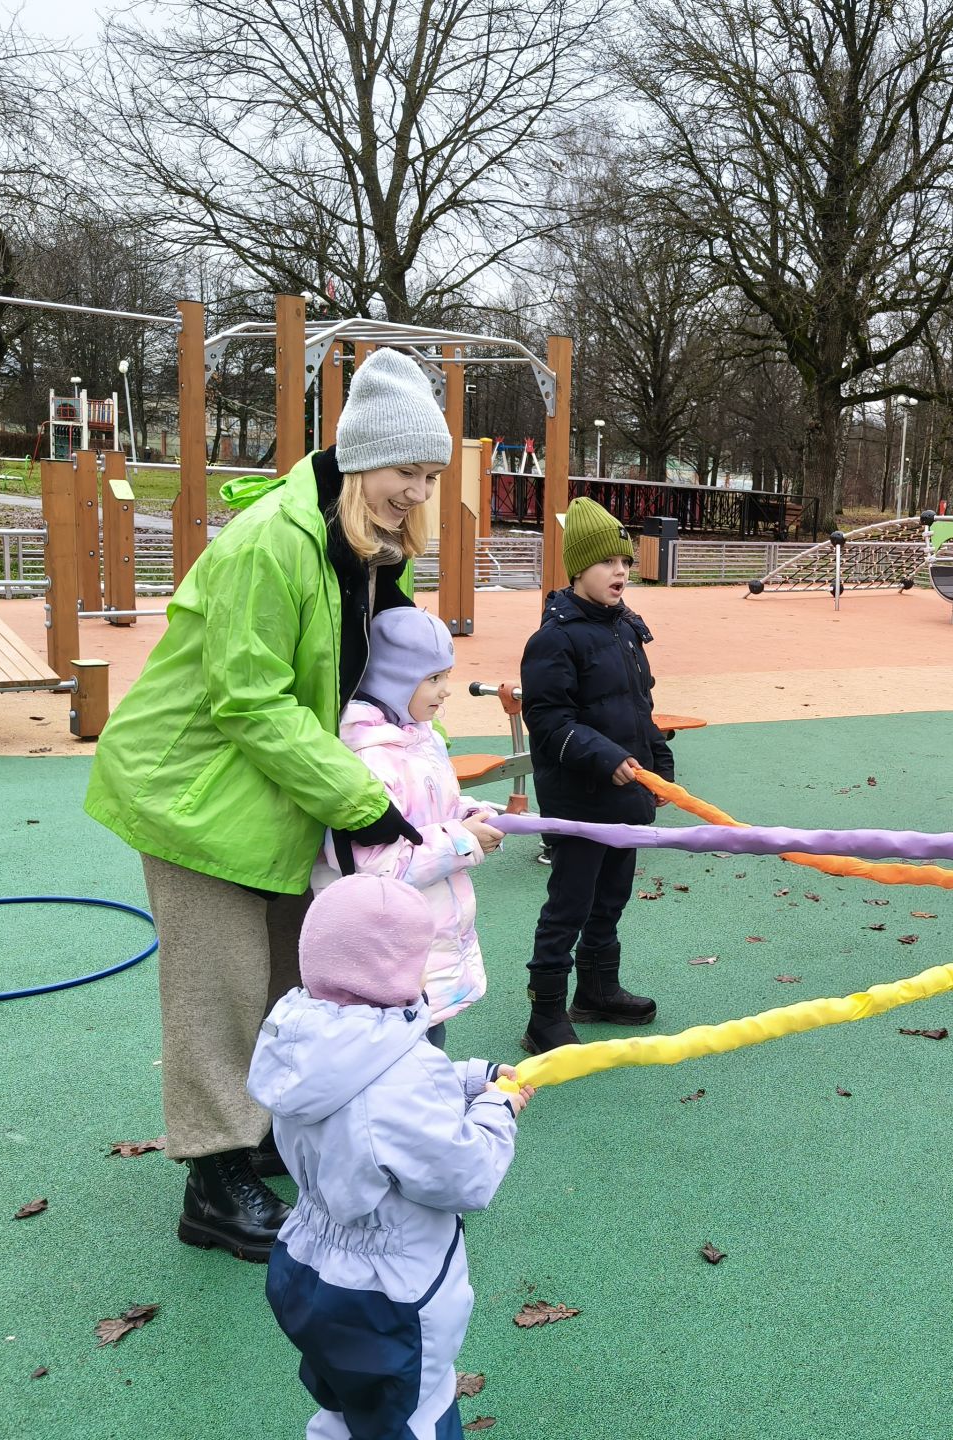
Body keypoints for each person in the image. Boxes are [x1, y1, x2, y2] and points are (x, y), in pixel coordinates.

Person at [84, 346, 453, 1261]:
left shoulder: (368, 546)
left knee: (297, 966)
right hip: (194, 792)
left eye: (431, 474)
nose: (419, 490)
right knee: (220, 984)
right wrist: (358, 797)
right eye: (410, 470)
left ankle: (257, 1133)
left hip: (277, 790)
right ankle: (212, 1176)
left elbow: (367, 676)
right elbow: (249, 698)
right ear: (365, 458)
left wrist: (406, 755)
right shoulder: (270, 544)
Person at [249, 874, 529, 1440]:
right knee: (413, 1416)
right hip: (385, 1294)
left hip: (304, 1267)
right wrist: (497, 1112)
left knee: (346, 1405)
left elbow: (374, 1100)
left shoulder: (301, 1041)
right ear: (396, 970)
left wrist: (471, 1078)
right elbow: (466, 1176)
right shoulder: (402, 1072)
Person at [519, 496, 676, 1054]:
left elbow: (640, 706)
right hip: (580, 801)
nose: (621, 573)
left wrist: (658, 763)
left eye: (626, 563)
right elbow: (548, 719)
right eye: (608, 562)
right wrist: (604, 758)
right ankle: (545, 1013)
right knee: (569, 906)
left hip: (624, 799)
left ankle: (598, 988)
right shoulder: (554, 640)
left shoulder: (625, 632)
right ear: (578, 568)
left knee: (611, 899)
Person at [311, 607, 506, 1051]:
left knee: (428, 1046)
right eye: (433, 678)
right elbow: (377, 874)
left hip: (424, 944)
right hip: (385, 955)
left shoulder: (422, 738)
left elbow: (435, 808)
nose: (446, 690)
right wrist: (462, 840)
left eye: (447, 675)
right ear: (395, 680)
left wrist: (470, 814)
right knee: (401, 1063)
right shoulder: (368, 758)